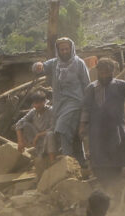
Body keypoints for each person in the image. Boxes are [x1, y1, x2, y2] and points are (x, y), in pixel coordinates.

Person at [32, 37, 91, 167]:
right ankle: (81, 163)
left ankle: (68, 163)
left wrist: (88, 105)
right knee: (74, 134)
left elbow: (87, 84)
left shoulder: (79, 63)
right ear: (58, 50)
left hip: (76, 102)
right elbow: (38, 68)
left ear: (71, 49)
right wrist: (38, 66)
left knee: (62, 129)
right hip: (60, 105)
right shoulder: (54, 63)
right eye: (62, 49)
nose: (64, 51)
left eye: (66, 49)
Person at [15, 90, 56, 174]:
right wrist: (20, 141)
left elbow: (53, 128)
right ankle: (37, 150)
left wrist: (38, 135)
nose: (36, 105)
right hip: (38, 140)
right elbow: (19, 124)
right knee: (25, 124)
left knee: (50, 134)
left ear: (44, 102)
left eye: (38, 103)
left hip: (49, 137)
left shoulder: (51, 111)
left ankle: (52, 162)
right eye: (35, 103)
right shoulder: (33, 112)